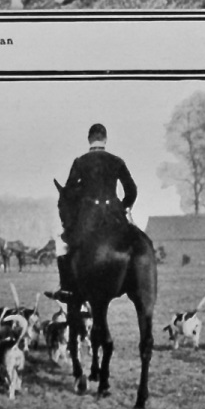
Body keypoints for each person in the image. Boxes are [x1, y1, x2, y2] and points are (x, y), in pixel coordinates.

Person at [57, 123, 138, 289]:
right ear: (105, 139)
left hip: (88, 216)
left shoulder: (80, 162)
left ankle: (67, 288)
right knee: (135, 242)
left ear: (89, 139)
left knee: (65, 247)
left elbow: (68, 193)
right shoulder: (117, 161)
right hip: (114, 213)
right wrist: (124, 207)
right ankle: (137, 278)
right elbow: (131, 190)